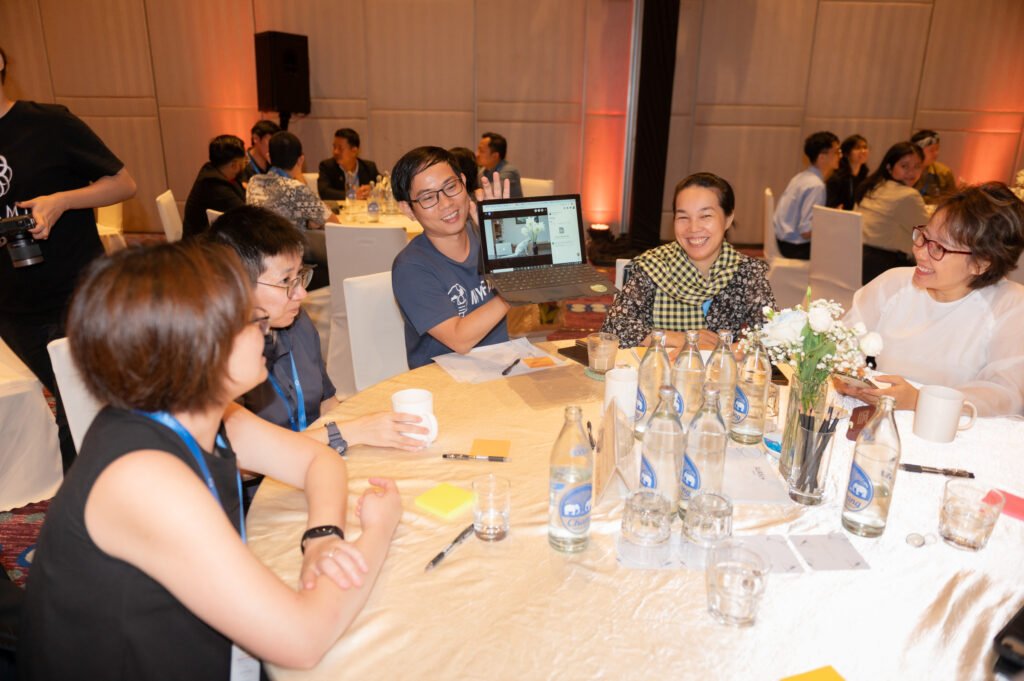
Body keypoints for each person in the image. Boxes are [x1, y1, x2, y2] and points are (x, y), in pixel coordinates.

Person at [20, 241, 402, 679]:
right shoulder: (144, 480)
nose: (265, 330)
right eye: (249, 320)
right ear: (198, 346)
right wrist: (379, 529)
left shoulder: (199, 410)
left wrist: (322, 538)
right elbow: (301, 640)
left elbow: (318, 461)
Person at [0, 46, 137, 470]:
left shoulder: (48, 123)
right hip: (12, 305)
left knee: (81, 405)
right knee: (70, 403)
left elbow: (123, 182)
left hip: (74, 290)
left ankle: (84, 510)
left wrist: (61, 202)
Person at [207, 205, 426, 452]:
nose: (302, 293)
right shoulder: (218, 357)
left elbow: (327, 403)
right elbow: (243, 459)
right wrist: (353, 431)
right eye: (286, 281)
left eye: (300, 276)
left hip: (315, 459)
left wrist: (360, 429)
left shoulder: (297, 323)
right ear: (235, 286)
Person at [839, 182, 1024, 417]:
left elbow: (1005, 394)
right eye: (924, 237)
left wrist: (920, 400)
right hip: (877, 416)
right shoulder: (893, 284)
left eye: (939, 249)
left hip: (951, 431)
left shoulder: (1009, 306)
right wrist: (848, 374)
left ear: (981, 263)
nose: (920, 252)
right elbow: (843, 341)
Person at [601, 172, 775, 349]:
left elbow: (774, 339)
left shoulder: (745, 272)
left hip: (719, 373)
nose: (693, 228)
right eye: (683, 217)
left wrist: (721, 350)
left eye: (705, 216)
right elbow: (614, 328)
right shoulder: (654, 266)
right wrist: (682, 339)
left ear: (728, 219)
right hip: (658, 372)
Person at [391, 146, 511, 369]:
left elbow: (543, 269)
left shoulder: (483, 233)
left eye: (451, 187)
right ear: (408, 209)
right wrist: (516, 290)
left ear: (464, 182)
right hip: (444, 382)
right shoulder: (410, 267)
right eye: (428, 197)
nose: (446, 203)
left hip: (500, 365)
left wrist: (505, 234)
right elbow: (460, 339)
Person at [247, 131, 337, 290]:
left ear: (269, 157)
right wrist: (300, 179)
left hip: (258, 265)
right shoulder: (295, 188)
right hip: (289, 270)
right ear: (301, 159)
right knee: (340, 269)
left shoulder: (254, 182)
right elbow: (335, 224)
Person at [855, 141, 931, 284]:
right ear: (889, 167)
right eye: (904, 166)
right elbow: (927, 233)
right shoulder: (909, 195)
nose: (911, 172)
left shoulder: (873, 186)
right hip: (885, 267)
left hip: (858, 259)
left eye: (917, 166)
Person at [772, 131, 841, 259]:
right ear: (822, 157)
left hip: (782, 242)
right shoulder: (816, 185)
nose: (840, 156)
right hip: (794, 247)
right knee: (841, 249)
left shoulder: (801, 177)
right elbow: (806, 231)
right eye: (836, 152)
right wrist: (832, 220)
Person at [182, 134, 246, 238]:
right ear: (234, 165)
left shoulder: (211, 169)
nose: (244, 166)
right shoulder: (214, 185)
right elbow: (245, 214)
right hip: (198, 247)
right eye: (243, 162)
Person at [317, 128, 380, 200]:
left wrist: (372, 189)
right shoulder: (327, 167)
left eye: (340, 148)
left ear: (354, 151)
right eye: (334, 147)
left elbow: (384, 184)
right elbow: (324, 192)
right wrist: (352, 195)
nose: (335, 152)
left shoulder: (369, 167)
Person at [911, 129, 956, 205]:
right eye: (931, 150)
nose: (936, 153)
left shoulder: (944, 172)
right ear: (918, 151)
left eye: (937, 149)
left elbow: (952, 201)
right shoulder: (906, 172)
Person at [826, 134, 870, 211]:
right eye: (857, 148)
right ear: (846, 153)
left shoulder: (865, 179)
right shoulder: (836, 179)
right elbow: (830, 206)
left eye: (865, 147)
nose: (863, 151)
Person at [476, 132, 523, 198]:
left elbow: (488, 194)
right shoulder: (483, 171)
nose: (477, 154)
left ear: (495, 156)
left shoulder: (510, 171)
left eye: (481, 151)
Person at [239, 119, 280, 183]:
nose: (274, 146)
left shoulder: (274, 163)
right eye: (270, 141)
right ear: (256, 138)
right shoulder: (242, 165)